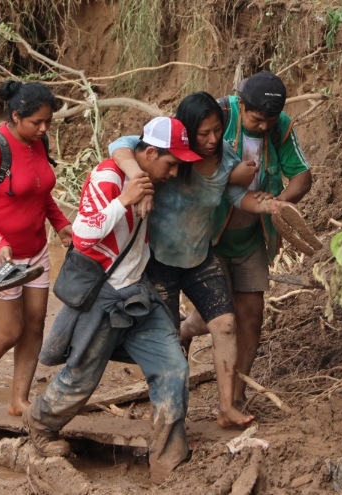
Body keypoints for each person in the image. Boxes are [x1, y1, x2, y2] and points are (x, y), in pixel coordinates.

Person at [26, 116, 197, 484]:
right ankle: (40, 426)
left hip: (138, 292)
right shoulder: (109, 178)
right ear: (150, 153)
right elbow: (84, 234)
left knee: (174, 369)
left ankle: (168, 457)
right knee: (81, 378)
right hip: (104, 296)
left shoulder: (145, 172)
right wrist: (125, 200)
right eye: (170, 164)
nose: (173, 173)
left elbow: (122, 141)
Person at [108, 92, 292, 428]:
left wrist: (267, 205)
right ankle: (168, 416)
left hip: (199, 256)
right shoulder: (169, 150)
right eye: (203, 133)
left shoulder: (225, 158)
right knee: (166, 342)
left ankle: (226, 407)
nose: (211, 140)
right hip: (158, 260)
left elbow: (235, 195)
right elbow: (120, 144)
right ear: (186, 131)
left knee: (225, 324)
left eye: (217, 131)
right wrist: (138, 177)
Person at [181, 71, 313, 408]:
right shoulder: (218, 117)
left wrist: (281, 204)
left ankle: (236, 399)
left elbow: (301, 174)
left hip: (253, 236)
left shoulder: (280, 124)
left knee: (251, 316)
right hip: (209, 237)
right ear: (242, 104)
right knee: (213, 318)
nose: (265, 126)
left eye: (271, 120)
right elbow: (182, 163)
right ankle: (183, 332)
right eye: (258, 119)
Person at [0, 81, 72, 417]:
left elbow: (41, 193)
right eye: (36, 122)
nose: (43, 128)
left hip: (35, 250)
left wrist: (62, 224)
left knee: (36, 324)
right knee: (10, 329)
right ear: (15, 116)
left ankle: (18, 399)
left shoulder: (40, 142)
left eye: (48, 122)